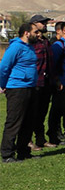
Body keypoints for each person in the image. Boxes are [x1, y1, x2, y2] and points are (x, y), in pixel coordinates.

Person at [1, 23, 41, 163]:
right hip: (17, 89)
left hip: (30, 87)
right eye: (36, 32)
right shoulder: (16, 47)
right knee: (14, 122)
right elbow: (4, 67)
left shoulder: (30, 47)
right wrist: (2, 85)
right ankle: (7, 154)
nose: (38, 34)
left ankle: (24, 152)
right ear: (26, 33)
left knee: (28, 122)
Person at [28, 14, 57, 150]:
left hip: (46, 82)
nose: (45, 24)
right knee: (30, 113)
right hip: (34, 82)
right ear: (34, 24)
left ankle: (40, 139)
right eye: (42, 23)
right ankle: (27, 140)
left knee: (41, 113)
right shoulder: (29, 42)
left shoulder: (45, 41)